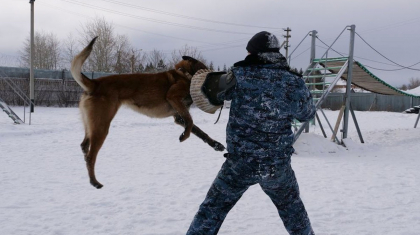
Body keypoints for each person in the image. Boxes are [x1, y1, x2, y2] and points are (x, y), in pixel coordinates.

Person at [186, 31, 316, 235]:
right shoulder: (293, 81)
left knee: (210, 212)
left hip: (239, 165)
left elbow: (210, 94)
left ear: (252, 52)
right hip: (277, 166)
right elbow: (307, 114)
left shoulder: (238, 75)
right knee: (294, 214)